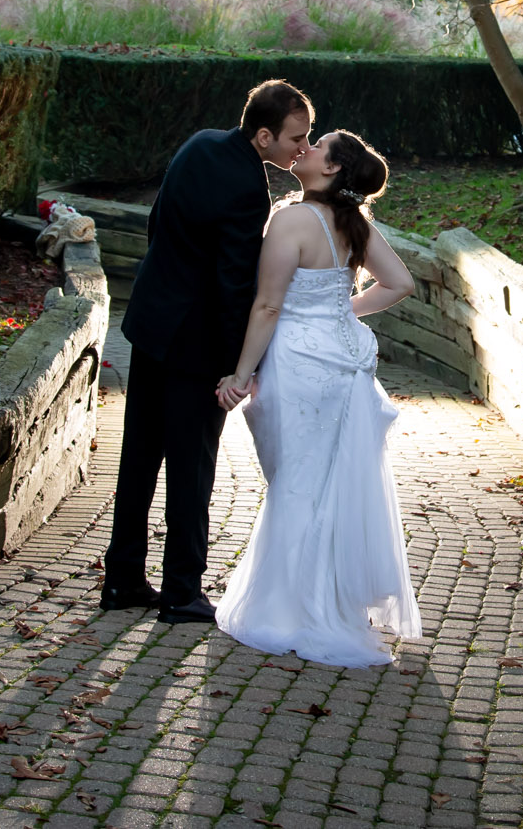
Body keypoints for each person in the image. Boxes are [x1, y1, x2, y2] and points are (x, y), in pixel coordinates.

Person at [101, 79, 311, 623]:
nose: (303, 148)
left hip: (151, 324)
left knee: (139, 457)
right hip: (195, 346)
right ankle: (181, 591)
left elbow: (156, 224)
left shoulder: (199, 143)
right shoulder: (249, 188)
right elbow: (234, 284)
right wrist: (237, 367)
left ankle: (122, 579)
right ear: (263, 136)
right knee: (191, 468)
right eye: (296, 138)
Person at [212, 129, 424, 668]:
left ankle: (287, 610)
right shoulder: (353, 223)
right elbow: (399, 283)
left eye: (318, 144)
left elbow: (267, 305)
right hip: (343, 364)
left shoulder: (291, 219)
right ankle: (330, 602)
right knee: (327, 482)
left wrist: (241, 374)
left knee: (294, 482)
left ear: (331, 169)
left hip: (298, 364)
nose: (305, 147)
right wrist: (340, 311)